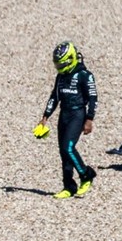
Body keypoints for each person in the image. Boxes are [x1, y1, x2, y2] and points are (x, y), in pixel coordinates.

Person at [33, 41, 98, 198]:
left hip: (77, 115)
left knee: (68, 148)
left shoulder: (85, 75)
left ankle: (86, 175)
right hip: (64, 115)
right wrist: (45, 117)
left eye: (62, 65)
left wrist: (89, 119)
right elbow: (54, 97)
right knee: (63, 152)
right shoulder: (60, 77)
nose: (59, 68)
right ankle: (68, 186)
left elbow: (93, 98)